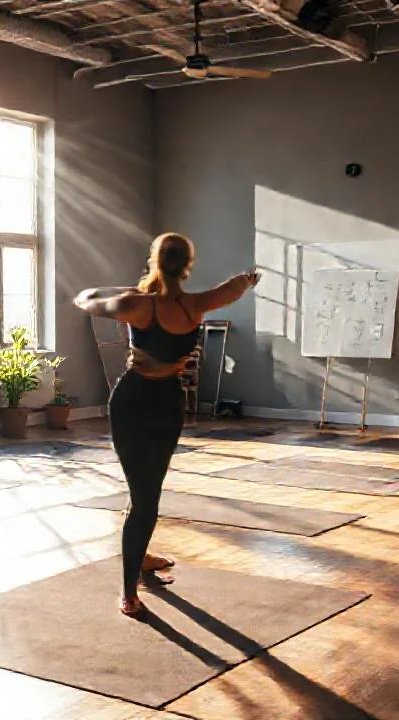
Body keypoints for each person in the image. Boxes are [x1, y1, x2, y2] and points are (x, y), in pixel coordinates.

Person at [73, 232, 260, 616]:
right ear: (187, 265)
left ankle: (133, 581)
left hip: (132, 400)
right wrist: (249, 278)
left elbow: (86, 299)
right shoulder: (197, 304)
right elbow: (237, 286)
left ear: (154, 260)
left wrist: (122, 289)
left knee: (142, 497)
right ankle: (130, 584)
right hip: (166, 403)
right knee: (147, 496)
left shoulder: (135, 304)